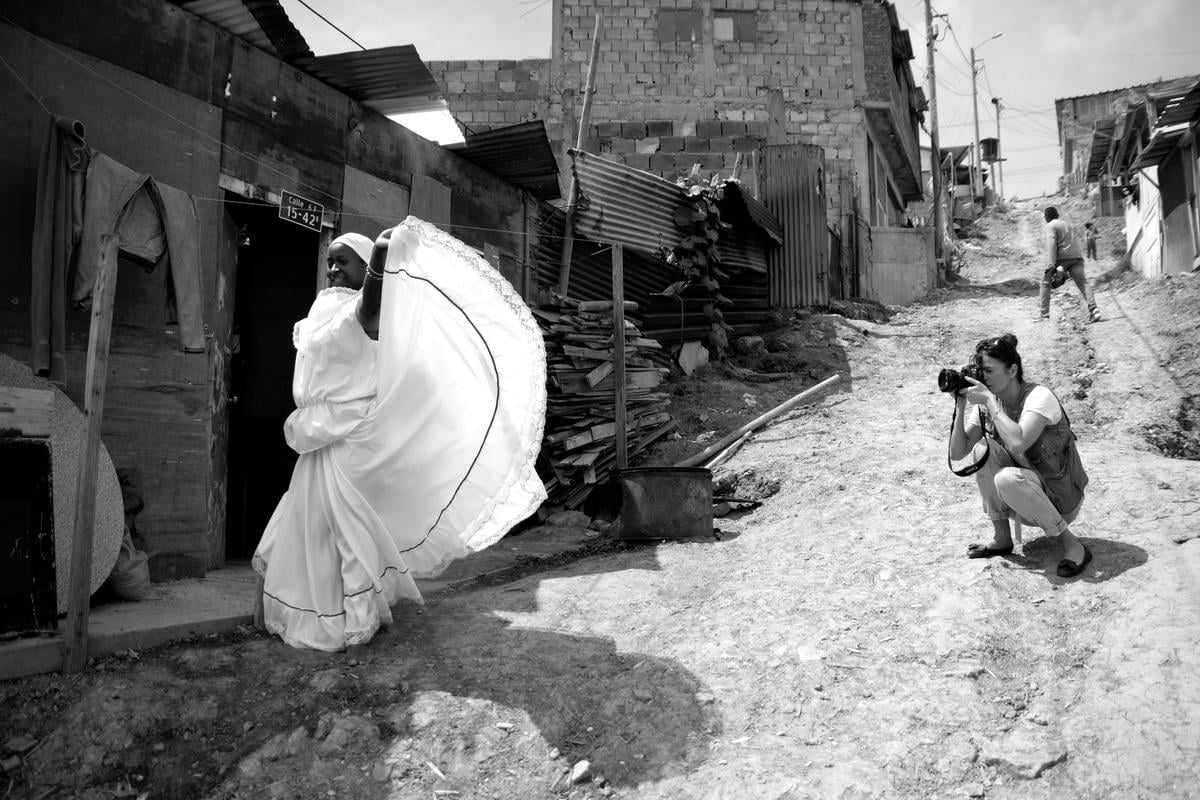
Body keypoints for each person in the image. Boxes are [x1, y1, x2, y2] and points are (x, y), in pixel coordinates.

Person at [253, 219, 548, 651]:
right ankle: (316, 609)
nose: (333, 270)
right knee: (309, 529)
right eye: (330, 262)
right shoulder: (319, 315)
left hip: (349, 442)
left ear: (364, 270)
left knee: (348, 533)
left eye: (344, 262)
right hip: (318, 440)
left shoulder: (367, 315)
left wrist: (380, 255)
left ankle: (355, 620)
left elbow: (368, 310)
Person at [948, 334, 1093, 578]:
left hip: (1060, 499)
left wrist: (990, 402)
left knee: (1006, 478)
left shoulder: (1039, 397)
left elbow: (1018, 442)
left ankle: (1072, 544)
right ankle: (1002, 538)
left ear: (1012, 369)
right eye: (980, 371)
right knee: (982, 450)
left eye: (989, 371)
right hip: (1024, 497)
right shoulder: (987, 404)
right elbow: (957, 453)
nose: (983, 378)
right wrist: (961, 403)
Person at [1042, 207, 1100, 323]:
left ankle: (1044, 315)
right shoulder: (1068, 225)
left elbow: (1052, 243)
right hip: (1077, 258)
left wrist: (1051, 264)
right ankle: (1094, 310)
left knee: (1045, 283)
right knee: (1083, 283)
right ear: (1057, 215)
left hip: (1062, 259)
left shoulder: (1050, 226)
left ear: (1046, 218)